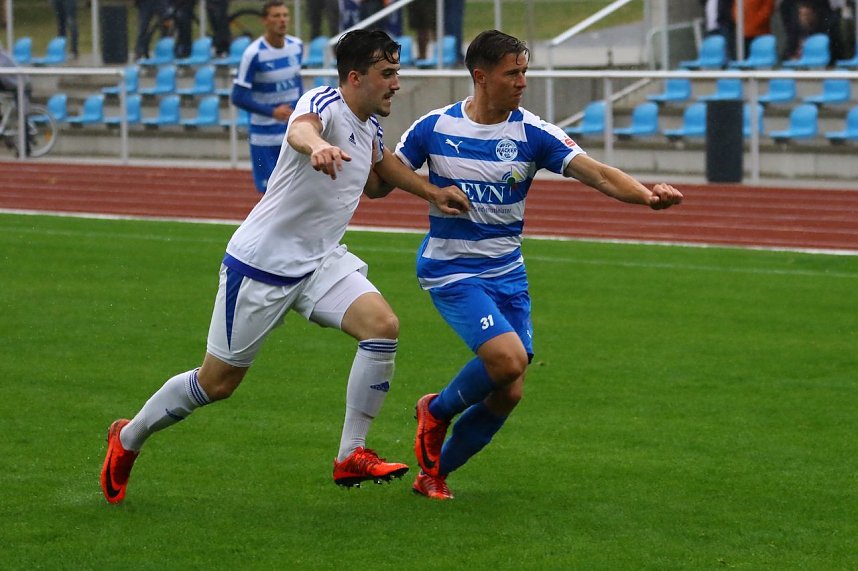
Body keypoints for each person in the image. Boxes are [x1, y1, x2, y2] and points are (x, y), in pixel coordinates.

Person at [99, 28, 471, 505]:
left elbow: (381, 171)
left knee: (382, 326)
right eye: (388, 73)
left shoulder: (368, 124)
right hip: (261, 267)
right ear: (355, 77)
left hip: (319, 261)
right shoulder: (325, 103)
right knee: (218, 382)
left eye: (396, 72)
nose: (396, 83)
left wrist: (432, 192)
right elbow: (301, 128)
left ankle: (350, 454)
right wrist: (315, 146)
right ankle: (127, 439)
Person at [379, 30, 683, 500]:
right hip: (452, 268)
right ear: (481, 77)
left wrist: (646, 197)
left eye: (525, 71)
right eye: (513, 73)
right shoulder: (434, 128)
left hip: (507, 272)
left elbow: (596, 172)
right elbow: (386, 175)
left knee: (510, 391)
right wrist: (424, 187)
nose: (523, 82)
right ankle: (435, 411)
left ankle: (432, 476)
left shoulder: (532, 133)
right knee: (508, 359)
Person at [230, 1, 303, 193]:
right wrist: (272, 112)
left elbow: (297, 84)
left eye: (285, 15)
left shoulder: (297, 47)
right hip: (264, 136)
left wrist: (301, 110)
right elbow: (238, 97)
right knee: (269, 195)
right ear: (265, 20)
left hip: (292, 133)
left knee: (296, 191)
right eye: (276, 16)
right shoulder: (253, 54)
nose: (282, 20)